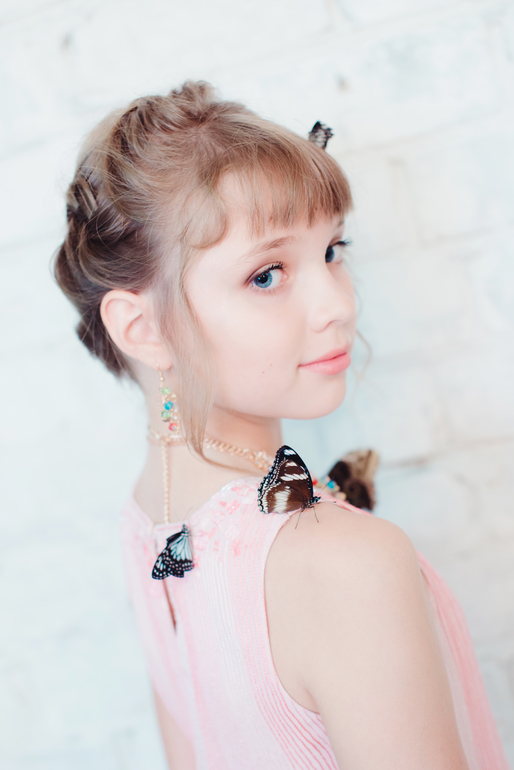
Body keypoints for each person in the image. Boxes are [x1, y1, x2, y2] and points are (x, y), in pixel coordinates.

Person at [54, 81, 508, 770]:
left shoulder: (149, 520)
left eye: (332, 250)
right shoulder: (347, 561)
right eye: (267, 275)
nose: (338, 304)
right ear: (142, 327)